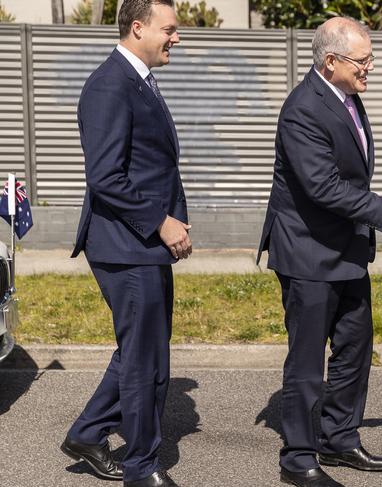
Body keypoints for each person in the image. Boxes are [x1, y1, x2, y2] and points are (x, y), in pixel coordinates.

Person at [257, 16, 382, 487]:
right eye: (363, 60)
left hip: (347, 249)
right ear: (331, 61)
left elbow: (350, 178)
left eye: (371, 57)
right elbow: (323, 187)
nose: (371, 67)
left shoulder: (345, 97)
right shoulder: (303, 109)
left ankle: (340, 438)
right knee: (307, 361)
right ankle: (298, 457)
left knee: (354, 348)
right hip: (309, 253)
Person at [61, 1, 190, 486]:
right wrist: (161, 222)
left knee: (145, 350)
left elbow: (151, 166)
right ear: (138, 28)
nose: (176, 38)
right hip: (123, 244)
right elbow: (106, 177)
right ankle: (141, 468)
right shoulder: (109, 84)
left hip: (142, 242)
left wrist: (172, 223)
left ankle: (89, 433)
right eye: (169, 30)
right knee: (143, 360)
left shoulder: (138, 80)